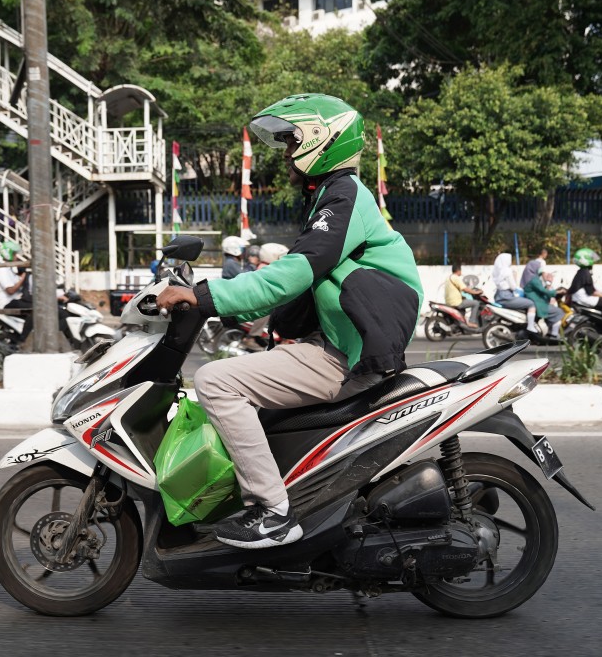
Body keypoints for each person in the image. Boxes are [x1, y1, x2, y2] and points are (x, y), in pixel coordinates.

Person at [155, 93, 423, 549]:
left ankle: (274, 513)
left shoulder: (344, 198)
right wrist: (250, 320)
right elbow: (304, 284)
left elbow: (293, 274)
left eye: (290, 142)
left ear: (322, 142)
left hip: (346, 355)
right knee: (250, 370)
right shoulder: (331, 199)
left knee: (217, 380)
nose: (284, 155)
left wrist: (202, 296)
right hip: (340, 341)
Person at [566, 247, 602, 335]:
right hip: (586, 299)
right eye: (591, 258)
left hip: (580, 299)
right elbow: (591, 292)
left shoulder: (581, 272)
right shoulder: (585, 273)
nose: (593, 261)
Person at [0, 241, 34, 340]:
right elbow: (10, 290)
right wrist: (23, 278)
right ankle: (25, 339)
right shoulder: (1, 269)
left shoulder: (10, 269)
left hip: (16, 301)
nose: (16, 257)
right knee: (34, 310)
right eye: (14, 254)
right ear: (9, 253)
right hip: (6, 304)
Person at [492, 252, 539, 336]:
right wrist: (515, 276)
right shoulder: (507, 271)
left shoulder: (498, 271)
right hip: (507, 296)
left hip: (499, 296)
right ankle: (530, 326)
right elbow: (513, 286)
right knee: (531, 303)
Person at [522, 268, 564, 341]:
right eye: (546, 273)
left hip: (539, 302)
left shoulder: (539, 280)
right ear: (541, 273)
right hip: (539, 303)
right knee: (559, 312)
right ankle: (554, 334)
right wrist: (558, 292)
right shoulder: (537, 281)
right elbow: (545, 291)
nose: (548, 275)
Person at [445, 262, 482, 328]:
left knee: (465, 301)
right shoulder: (455, 278)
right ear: (458, 270)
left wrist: (462, 296)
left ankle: (462, 323)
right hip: (456, 302)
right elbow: (465, 289)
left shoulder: (449, 277)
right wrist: (476, 292)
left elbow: (453, 291)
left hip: (450, 301)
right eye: (461, 270)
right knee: (476, 303)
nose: (461, 272)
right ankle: (472, 322)